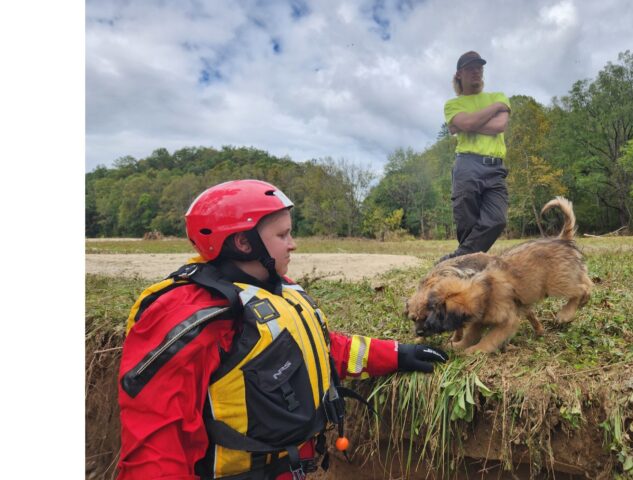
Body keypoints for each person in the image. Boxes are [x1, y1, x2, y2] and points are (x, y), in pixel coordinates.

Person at [117, 179, 447, 480]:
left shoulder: (277, 289)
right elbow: (155, 446)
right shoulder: (192, 316)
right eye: (282, 235)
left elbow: (319, 348)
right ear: (244, 243)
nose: (293, 245)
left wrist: (397, 354)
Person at [440, 50, 511, 263]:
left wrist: (466, 124)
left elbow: (499, 126)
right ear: (459, 74)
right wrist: (490, 113)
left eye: (479, 67)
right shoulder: (453, 104)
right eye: (470, 68)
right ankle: (467, 271)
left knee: (497, 219)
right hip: (467, 165)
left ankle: (456, 261)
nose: (476, 71)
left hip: (495, 168)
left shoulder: (498, 97)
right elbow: (468, 124)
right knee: (466, 222)